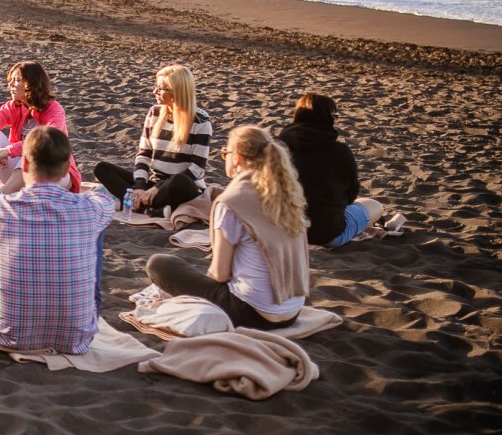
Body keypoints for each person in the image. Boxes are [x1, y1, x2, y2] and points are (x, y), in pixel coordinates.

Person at [0, 126, 113, 353]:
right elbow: (105, 199)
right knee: (97, 226)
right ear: (67, 168)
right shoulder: (88, 209)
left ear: (24, 165)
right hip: (76, 339)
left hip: (9, 335)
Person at [146, 125, 310, 330]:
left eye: (226, 153)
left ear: (237, 158)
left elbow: (220, 274)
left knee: (160, 263)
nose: (224, 157)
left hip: (252, 313)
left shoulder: (231, 202)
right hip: (292, 311)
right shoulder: (286, 195)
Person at [93, 63, 212, 217]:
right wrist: (140, 186)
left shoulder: (201, 122)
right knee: (102, 168)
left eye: (161, 88)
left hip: (178, 187)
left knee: (181, 182)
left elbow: (197, 168)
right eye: (156, 86)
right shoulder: (154, 112)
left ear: (177, 92)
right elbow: (144, 154)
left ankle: (138, 205)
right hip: (153, 184)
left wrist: (159, 187)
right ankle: (149, 209)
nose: (154, 91)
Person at [278, 92, 385, 247]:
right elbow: (351, 196)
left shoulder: (276, 147)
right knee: (375, 205)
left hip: (281, 231)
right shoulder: (340, 151)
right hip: (325, 234)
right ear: (329, 118)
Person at [0, 60, 81, 193]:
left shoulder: (53, 108)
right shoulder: (14, 106)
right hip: (20, 175)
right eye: (10, 80)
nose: (10, 84)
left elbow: (49, 140)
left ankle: (1, 195)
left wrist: (9, 150)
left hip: (54, 174)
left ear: (32, 84)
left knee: (32, 151)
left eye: (16, 80)